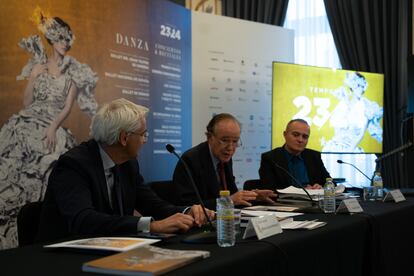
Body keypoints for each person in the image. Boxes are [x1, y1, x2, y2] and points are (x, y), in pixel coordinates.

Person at [36, 98, 214, 243]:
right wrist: (151, 226)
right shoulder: (73, 165)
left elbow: (152, 205)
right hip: (64, 256)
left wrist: (188, 212)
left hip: (110, 248)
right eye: (143, 134)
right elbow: (84, 220)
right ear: (124, 138)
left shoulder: (128, 164)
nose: (145, 140)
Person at [0, 8, 98, 249]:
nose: (64, 42)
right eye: (60, 37)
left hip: (53, 127)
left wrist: (53, 128)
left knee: (52, 166)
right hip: (27, 123)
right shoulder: (38, 66)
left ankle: (39, 237)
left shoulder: (74, 72)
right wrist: (33, 77)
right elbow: (26, 103)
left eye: (67, 38)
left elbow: (67, 108)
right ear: (52, 39)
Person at [172, 113, 277, 210]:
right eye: (225, 140)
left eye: (235, 141)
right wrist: (229, 201)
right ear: (209, 137)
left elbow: (232, 195)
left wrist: (253, 196)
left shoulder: (224, 157)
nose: (230, 147)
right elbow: (187, 205)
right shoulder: (191, 160)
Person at [259, 119, 330, 190]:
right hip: (286, 200)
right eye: (296, 135)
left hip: (313, 200)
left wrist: (322, 187)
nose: (300, 140)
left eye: (305, 137)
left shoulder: (314, 156)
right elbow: (269, 190)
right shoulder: (270, 158)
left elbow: (331, 183)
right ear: (285, 135)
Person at [322, 72, 383, 152]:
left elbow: (361, 134)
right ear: (352, 86)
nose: (360, 89)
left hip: (351, 148)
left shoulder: (367, 107)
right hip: (335, 145)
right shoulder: (343, 103)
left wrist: (350, 149)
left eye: (362, 86)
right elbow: (337, 128)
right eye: (358, 86)